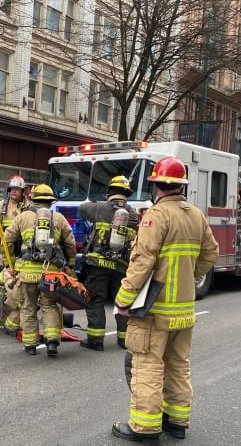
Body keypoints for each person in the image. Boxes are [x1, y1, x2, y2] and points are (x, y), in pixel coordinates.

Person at [111, 157, 219, 442]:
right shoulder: (196, 215)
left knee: (147, 365)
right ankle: (176, 422)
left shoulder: (156, 215)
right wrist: (190, 274)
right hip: (184, 311)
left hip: (154, 311)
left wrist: (123, 300)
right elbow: (211, 253)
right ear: (181, 185)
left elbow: (142, 261)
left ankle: (144, 428)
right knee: (178, 365)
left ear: (156, 184)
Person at [0, 184, 76, 357]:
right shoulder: (58, 218)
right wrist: (70, 264)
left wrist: (9, 262)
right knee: (49, 306)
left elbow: (7, 240)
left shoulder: (22, 217)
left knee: (28, 307)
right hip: (51, 272)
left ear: (32, 199)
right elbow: (70, 243)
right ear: (50, 201)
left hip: (27, 272)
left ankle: (31, 345)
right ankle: (52, 342)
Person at [78, 175, 139, 351]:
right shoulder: (133, 215)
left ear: (109, 191)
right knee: (121, 303)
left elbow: (82, 208)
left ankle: (96, 341)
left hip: (98, 266)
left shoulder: (99, 208)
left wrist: (100, 203)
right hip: (121, 267)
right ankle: (124, 340)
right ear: (127, 193)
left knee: (95, 300)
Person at [0, 175, 30, 334]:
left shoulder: (28, 206)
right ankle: (1, 312)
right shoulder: (1, 205)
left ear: (22, 191)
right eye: (12, 189)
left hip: (22, 253)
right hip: (4, 252)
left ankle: (16, 315)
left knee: (20, 286)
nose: (14, 192)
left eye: (17, 189)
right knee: (2, 283)